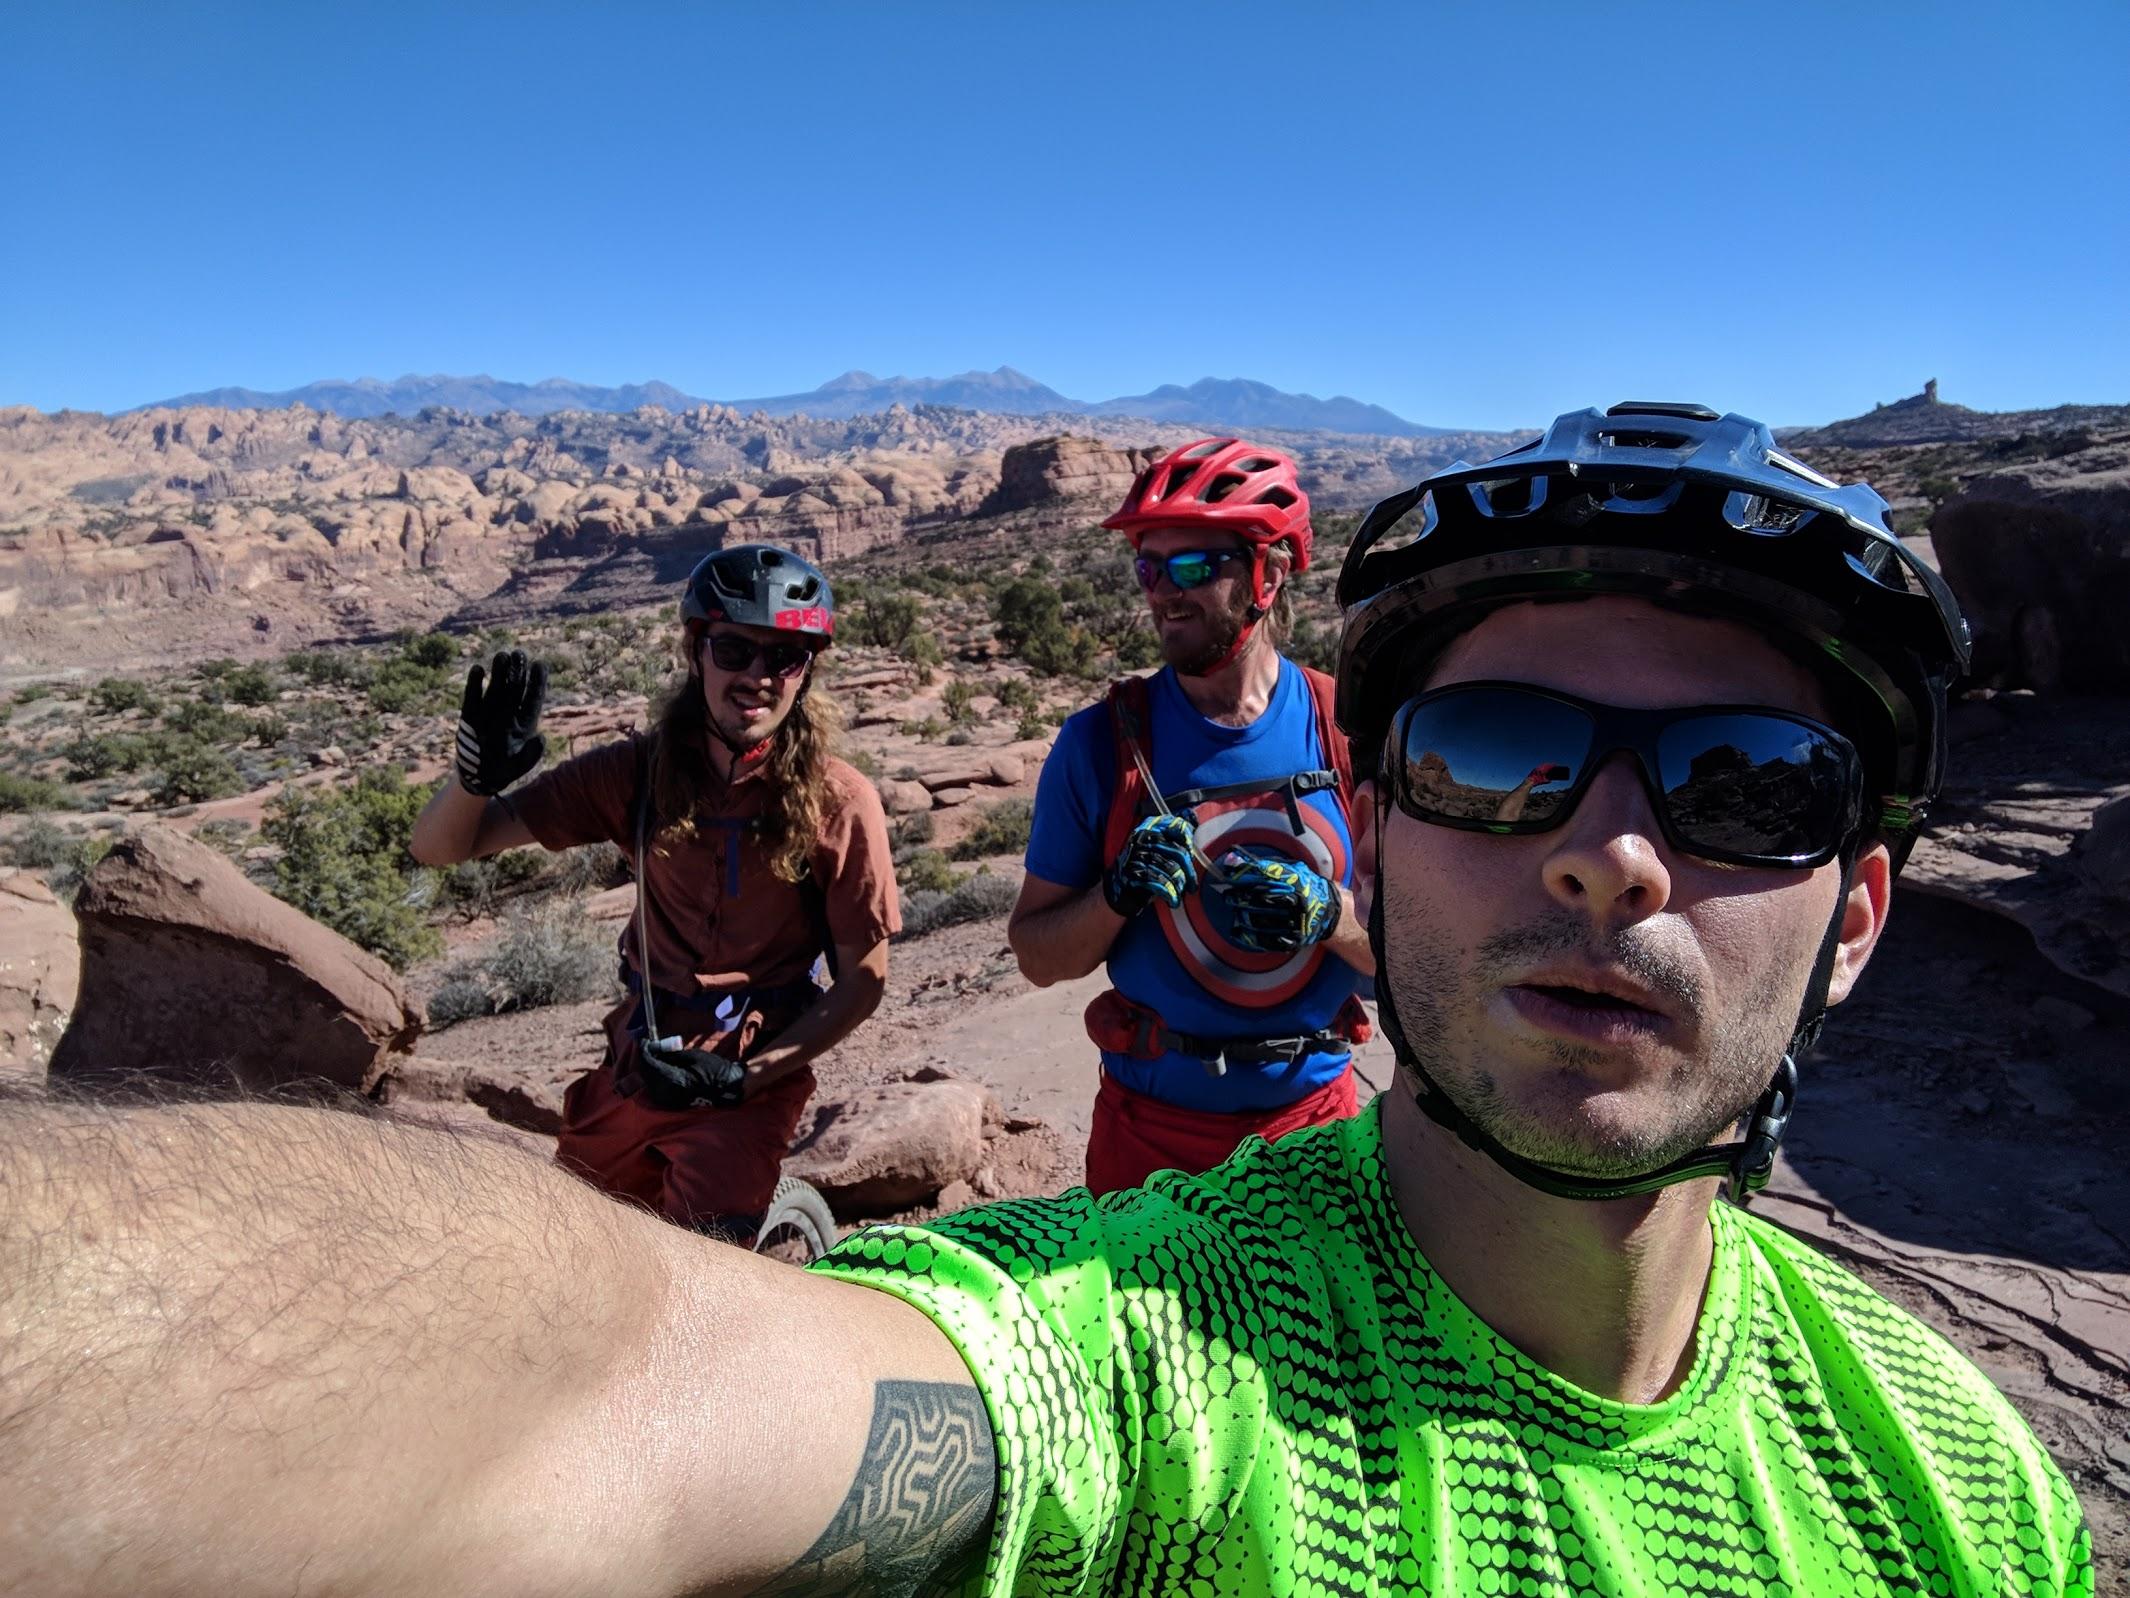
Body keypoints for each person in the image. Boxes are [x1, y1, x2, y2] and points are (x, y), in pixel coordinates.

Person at [1, 406, 2093, 1596]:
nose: (1608, 853)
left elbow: (884, 972)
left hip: (1269, 1090)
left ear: (1861, 907)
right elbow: (619, 1378)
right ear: (1398, 804)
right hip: (1169, 1158)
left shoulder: (1961, 1484)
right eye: (1497, 760)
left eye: (1747, 791)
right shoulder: (1149, 1345)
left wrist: (1305, 928)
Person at [407, 542, 899, 1240]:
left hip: (748, 1077)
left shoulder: (840, 802)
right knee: (580, 1245)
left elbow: (863, 982)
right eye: (733, 650)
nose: (757, 676)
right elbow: (440, 848)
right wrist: (473, 779)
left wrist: (747, 1079)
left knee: (704, 1271)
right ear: (696, 651)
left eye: (783, 657)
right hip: (644, 1056)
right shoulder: (634, 774)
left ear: (807, 670)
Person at [1008, 438, 1376, 1193]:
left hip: (1317, 1133)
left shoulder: (1345, 731)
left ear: (1269, 574)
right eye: (1149, 567)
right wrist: (1116, 895)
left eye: (1192, 568)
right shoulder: (1100, 744)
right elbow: (1039, 958)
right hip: (1152, 1141)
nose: (1161, 592)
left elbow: (1426, 955)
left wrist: (1329, 916)